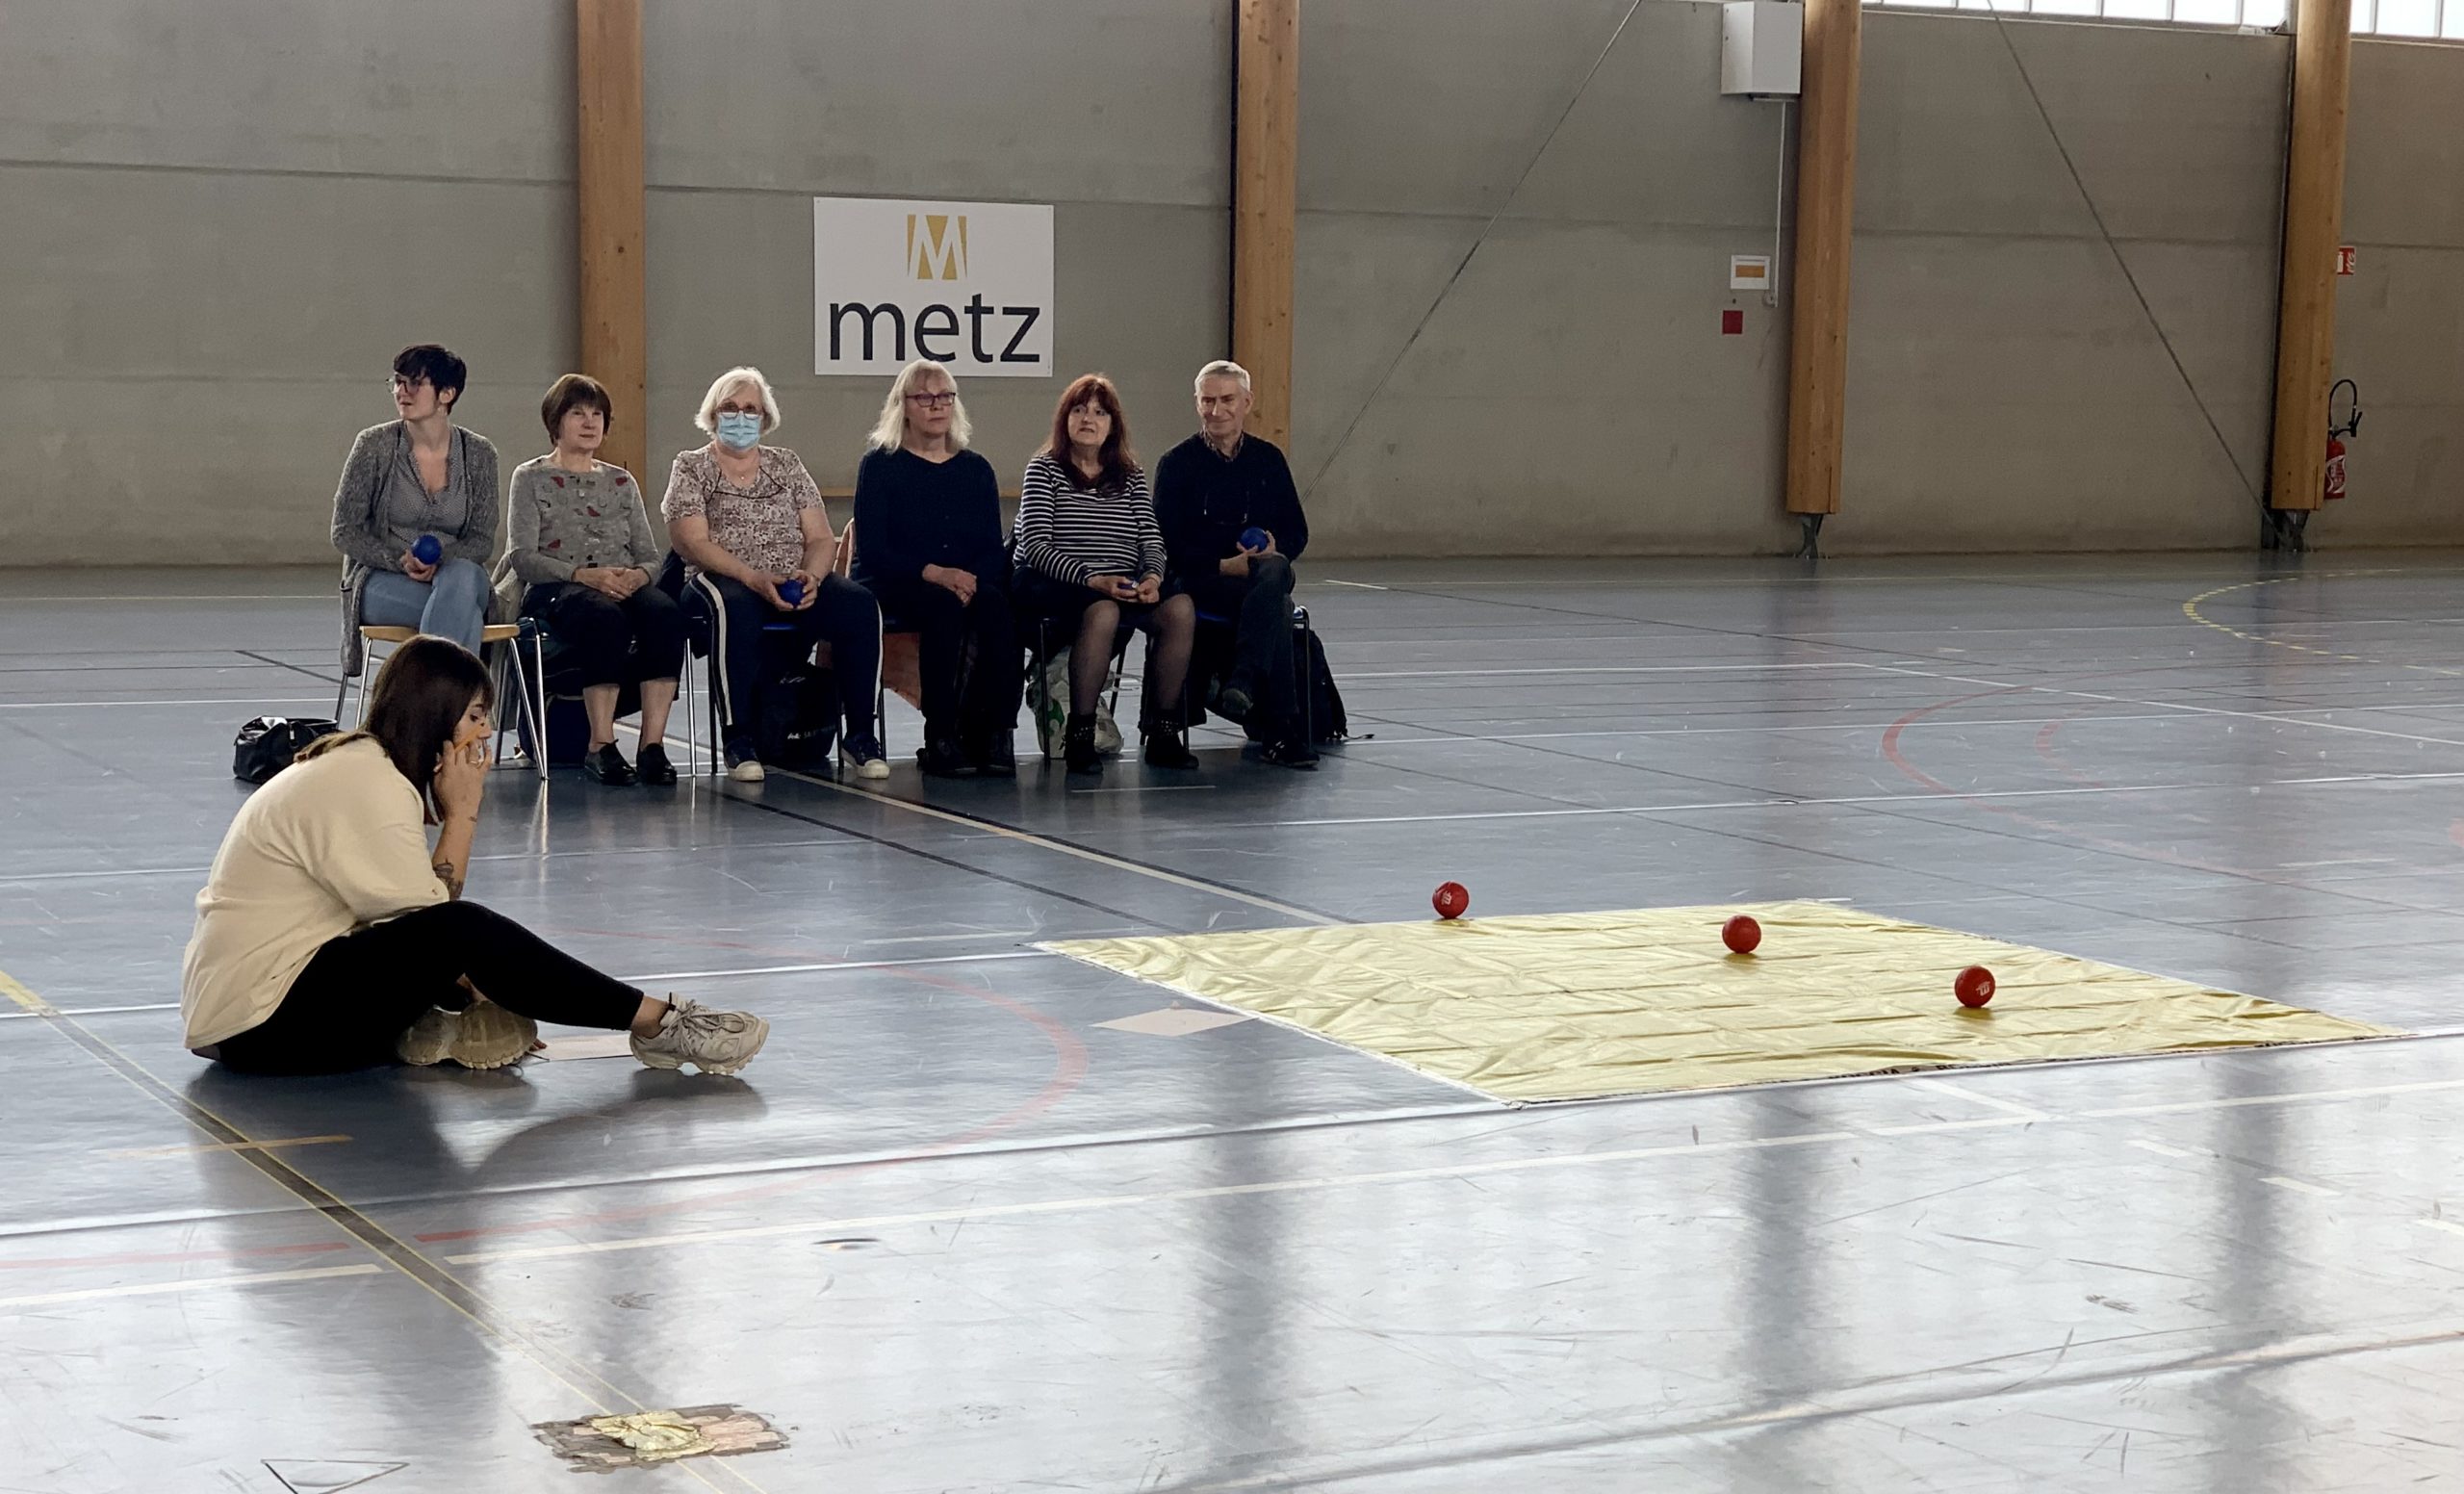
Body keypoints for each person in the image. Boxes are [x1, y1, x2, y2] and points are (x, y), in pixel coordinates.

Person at [181, 636, 768, 1076]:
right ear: (435, 719)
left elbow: (412, 926)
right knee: (459, 931)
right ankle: (661, 1024)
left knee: (454, 947)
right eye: (476, 716)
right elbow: (436, 926)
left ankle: (438, 1024)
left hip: (260, 1013)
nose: (485, 734)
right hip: (260, 1026)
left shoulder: (365, 767)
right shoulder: (366, 782)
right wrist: (462, 814)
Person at [661, 367, 887, 784]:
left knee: (858, 605)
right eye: (731, 407)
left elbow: (820, 537)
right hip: (721, 576)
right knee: (736, 609)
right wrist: (751, 577)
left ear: (765, 418)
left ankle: (860, 735)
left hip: (791, 574)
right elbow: (690, 541)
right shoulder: (691, 466)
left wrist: (813, 578)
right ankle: (739, 738)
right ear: (713, 414)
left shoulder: (787, 464)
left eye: (751, 409)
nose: (741, 416)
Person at [496, 374, 684, 786]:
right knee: (603, 618)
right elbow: (522, 557)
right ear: (555, 422)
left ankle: (652, 747)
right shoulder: (529, 478)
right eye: (577, 413)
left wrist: (638, 577)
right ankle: (601, 744)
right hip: (558, 589)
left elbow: (649, 556)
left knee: (666, 615)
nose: (589, 422)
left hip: (620, 583)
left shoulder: (621, 481)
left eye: (597, 414)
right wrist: (581, 575)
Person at [1014, 374, 1198, 775]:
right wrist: (1092, 580)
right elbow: (1036, 546)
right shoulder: (1044, 470)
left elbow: (1151, 537)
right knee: (1103, 612)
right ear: (1065, 419)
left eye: (1099, 412)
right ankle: (1080, 734)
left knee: (1180, 609)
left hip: (1121, 584)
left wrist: (1152, 577)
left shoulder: (1129, 474)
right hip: (1057, 585)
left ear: (1113, 424)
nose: (1088, 419)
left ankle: (1164, 730)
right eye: (1079, 410)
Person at [851, 360, 1021, 779]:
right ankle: (941, 735)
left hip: (964, 579)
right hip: (899, 580)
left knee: (998, 607)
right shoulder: (880, 466)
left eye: (945, 396)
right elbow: (874, 550)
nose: (937, 405)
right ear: (904, 406)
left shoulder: (975, 468)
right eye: (925, 397)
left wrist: (971, 579)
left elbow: (989, 545)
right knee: (942, 608)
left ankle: (997, 732)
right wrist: (936, 573)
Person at [1154, 359, 1317, 768]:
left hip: (1259, 577)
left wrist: (1277, 546)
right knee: (1276, 604)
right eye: (1207, 401)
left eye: (1227, 400)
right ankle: (1279, 728)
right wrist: (1222, 565)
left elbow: (1297, 531)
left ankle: (1245, 680)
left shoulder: (1268, 460)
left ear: (1247, 402)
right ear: (1196, 403)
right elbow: (1165, 543)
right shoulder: (1176, 464)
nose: (1216, 410)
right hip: (1202, 581)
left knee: (1276, 570)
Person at [331, 345, 500, 683]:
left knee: (461, 579)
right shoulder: (374, 445)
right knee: (462, 612)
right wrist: (400, 559)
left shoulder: (480, 454)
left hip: (458, 575)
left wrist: (441, 562)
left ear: (447, 394)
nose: (401, 392)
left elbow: (481, 540)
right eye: (397, 382)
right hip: (385, 582)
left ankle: (423, 713)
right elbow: (344, 530)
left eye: (414, 383)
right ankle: (454, 714)